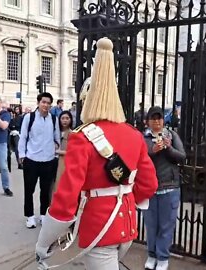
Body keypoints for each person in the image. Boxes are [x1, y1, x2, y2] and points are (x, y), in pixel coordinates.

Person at [35, 38, 158, 270]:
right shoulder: (133, 134)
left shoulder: (81, 138)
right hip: (127, 224)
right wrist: (127, 198)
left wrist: (44, 240)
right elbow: (149, 184)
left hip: (99, 227)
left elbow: (66, 196)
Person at [143, 106, 186, 270]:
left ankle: (162, 257)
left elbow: (181, 157)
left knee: (166, 225)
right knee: (151, 224)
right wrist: (152, 151)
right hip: (150, 188)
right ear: (148, 121)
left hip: (169, 186)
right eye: (153, 118)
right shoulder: (143, 138)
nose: (157, 121)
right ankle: (151, 255)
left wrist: (169, 148)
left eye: (159, 118)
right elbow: (139, 157)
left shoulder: (172, 135)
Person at [18, 92, 60, 229]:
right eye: (43, 102)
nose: (46, 105)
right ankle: (30, 216)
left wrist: (56, 150)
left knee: (45, 189)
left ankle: (43, 214)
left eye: (48, 103)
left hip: (48, 160)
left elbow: (57, 137)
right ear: (38, 103)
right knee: (29, 189)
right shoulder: (29, 118)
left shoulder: (53, 119)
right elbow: (23, 137)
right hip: (31, 159)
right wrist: (21, 155)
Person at [55, 110, 74, 190]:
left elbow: (73, 152)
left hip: (63, 163)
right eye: (62, 118)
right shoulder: (56, 132)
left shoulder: (72, 134)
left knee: (59, 185)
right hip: (52, 162)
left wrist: (59, 152)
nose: (65, 120)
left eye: (67, 118)